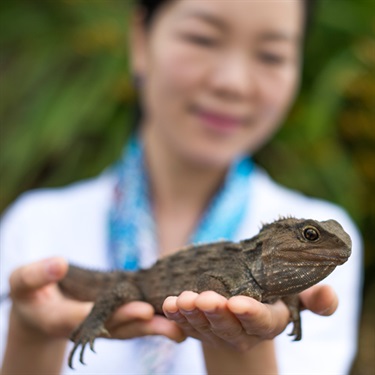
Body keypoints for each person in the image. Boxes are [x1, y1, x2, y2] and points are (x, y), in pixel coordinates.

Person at [0, 0, 362, 374]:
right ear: (140, 41)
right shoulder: (33, 225)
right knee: (122, 292)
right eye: (203, 38)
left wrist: (249, 339)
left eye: (271, 55)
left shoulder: (309, 253)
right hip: (138, 286)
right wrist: (31, 332)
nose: (231, 82)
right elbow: (208, 281)